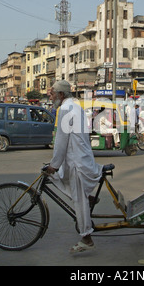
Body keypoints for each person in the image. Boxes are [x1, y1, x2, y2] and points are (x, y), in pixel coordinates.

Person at [46, 80, 103, 253]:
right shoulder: (75, 107)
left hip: (77, 161)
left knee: (78, 200)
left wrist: (54, 165)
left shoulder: (64, 109)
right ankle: (88, 196)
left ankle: (86, 238)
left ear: (61, 95)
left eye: (53, 93)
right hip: (80, 158)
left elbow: (61, 141)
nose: (51, 96)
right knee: (63, 179)